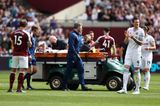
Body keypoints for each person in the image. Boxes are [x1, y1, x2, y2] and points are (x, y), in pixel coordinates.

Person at [117, 17, 145, 94]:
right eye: (136, 22)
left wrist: (134, 38)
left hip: (136, 52)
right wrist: (126, 37)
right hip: (129, 52)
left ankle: (137, 90)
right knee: (125, 70)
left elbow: (141, 43)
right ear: (133, 23)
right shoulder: (129, 30)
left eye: (138, 22)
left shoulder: (141, 31)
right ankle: (124, 89)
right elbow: (125, 42)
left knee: (136, 71)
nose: (137, 24)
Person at [63, 22, 91, 91]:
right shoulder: (72, 35)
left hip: (77, 56)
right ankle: (64, 86)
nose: (82, 29)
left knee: (81, 69)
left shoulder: (79, 35)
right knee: (68, 71)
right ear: (77, 27)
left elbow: (80, 45)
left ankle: (83, 85)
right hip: (72, 56)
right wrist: (76, 54)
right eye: (81, 27)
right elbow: (71, 46)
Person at [8, 19, 32, 93]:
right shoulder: (26, 33)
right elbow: (29, 44)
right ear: (26, 25)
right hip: (23, 54)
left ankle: (10, 88)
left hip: (15, 53)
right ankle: (19, 89)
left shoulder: (13, 33)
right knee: (22, 71)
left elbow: (11, 42)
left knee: (13, 71)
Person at [23, 25, 40, 90]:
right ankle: (28, 86)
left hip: (33, 55)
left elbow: (32, 47)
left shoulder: (34, 37)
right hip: (29, 55)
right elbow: (27, 47)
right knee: (30, 71)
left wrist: (37, 49)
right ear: (34, 30)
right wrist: (29, 54)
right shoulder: (30, 36)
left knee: (35, 70)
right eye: (37, 30)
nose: (38, 32)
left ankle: (22, 81)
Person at [141, 26, 156, 90]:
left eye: (143, 30)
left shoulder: (150, 38)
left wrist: (148, 48)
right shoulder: (139, 37)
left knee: (147, 70)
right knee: (143, 70)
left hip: (148, 55)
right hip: (141, 55)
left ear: (146, 31)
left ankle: (146, 86)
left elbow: (154, 47)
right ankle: (144, 81)